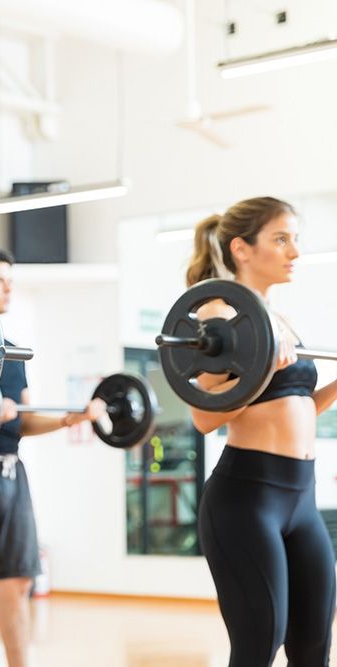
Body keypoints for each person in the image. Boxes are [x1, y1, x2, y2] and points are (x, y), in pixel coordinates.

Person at [0, 249, 105, 667]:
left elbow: (23, 419)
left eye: (11, 280)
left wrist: (69, 419)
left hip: (12, 468)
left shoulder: (11, 352)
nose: (9, 287)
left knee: (19, 579)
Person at [187, 197, 337, 666]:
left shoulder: (283, 318)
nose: (294, 251)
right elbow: (204, 416)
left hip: (300, 498)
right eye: (280, 239)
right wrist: (258, 368)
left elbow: (296, 408)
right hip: (246, 499)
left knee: (314, 646)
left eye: (295, 239)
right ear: (242, 248)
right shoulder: (220, 313)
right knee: (258, 646)